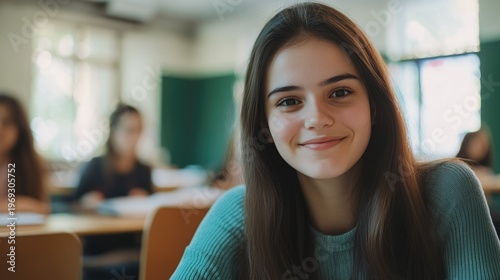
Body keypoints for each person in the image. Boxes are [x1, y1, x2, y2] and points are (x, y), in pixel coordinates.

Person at [172, 3, 500, 279]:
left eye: (340, 92)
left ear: (375, 104)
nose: (317, 118)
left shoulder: (449, 191)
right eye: (288, 101)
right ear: (264, 122)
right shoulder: (238, 213)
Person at [74, 104, 152, 280]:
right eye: (128, 130)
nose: (134, 137)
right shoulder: (94, 167)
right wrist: (85, 204)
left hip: (131, 247)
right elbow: (70, 206)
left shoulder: (144, 170)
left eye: (138, 130)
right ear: (113, 131)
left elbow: (154, 209)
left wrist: (145, 201)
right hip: (98, 250)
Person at [0, 93, 49, 214]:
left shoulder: (29, 166)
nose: (0, 129)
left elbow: (42, 208)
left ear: (20, 128)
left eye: (6, 122)